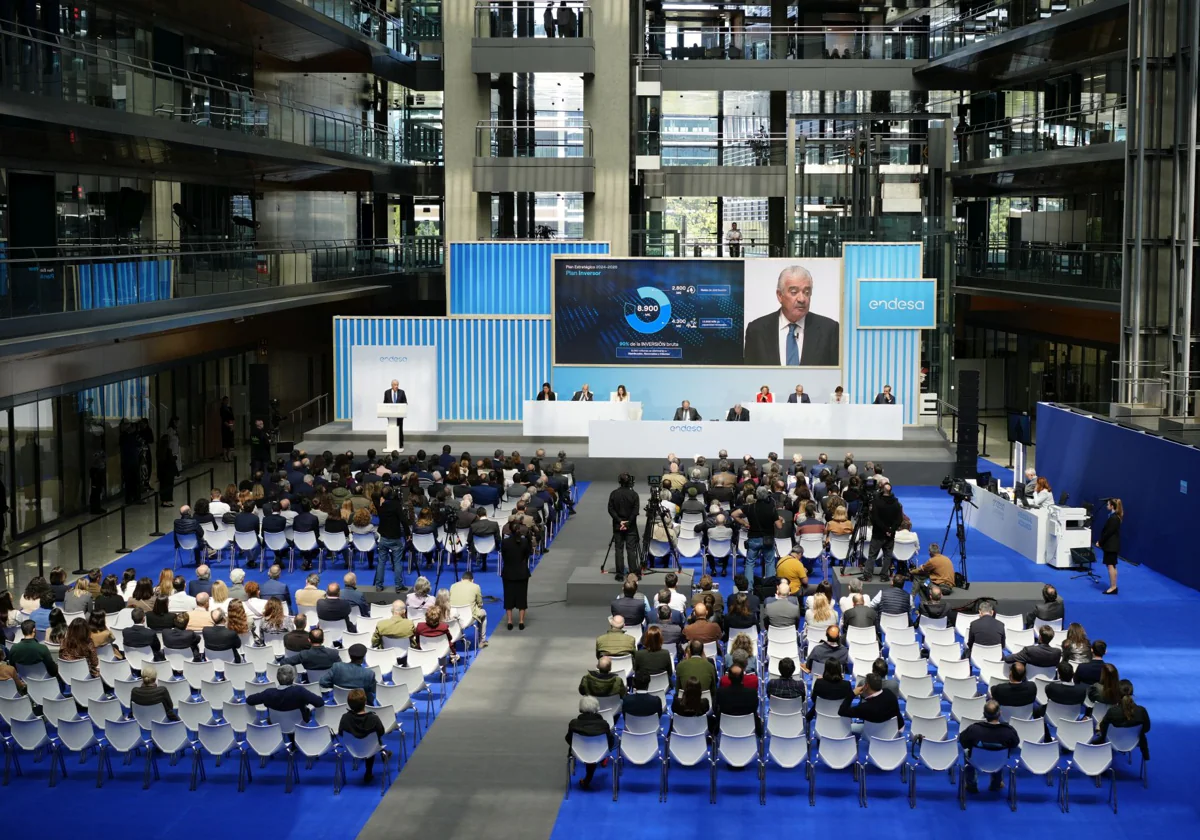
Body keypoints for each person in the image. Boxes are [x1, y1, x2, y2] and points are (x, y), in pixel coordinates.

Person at [743, 265, 839, 366]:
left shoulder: (829, 330)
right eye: (794, 292)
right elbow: (750, 376)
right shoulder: (756, 330)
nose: (802, 299)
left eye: (807, 292)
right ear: (780, 295)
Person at [959, 700, 1019, 793]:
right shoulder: (1008, 731)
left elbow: (963, 742)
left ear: (984, 714)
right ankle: (997, 783)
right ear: (1000, 713)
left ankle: (971, 785)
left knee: (967, 752)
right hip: (999, 761)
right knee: (1002, 752)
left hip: (977, 761)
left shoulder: (974, 729)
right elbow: (1015, 744)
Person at [732, 486, 782, 586]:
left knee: (750, 563)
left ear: (756, 496)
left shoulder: (750, 507)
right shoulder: (771, 508)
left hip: (753, 539)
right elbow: (779, 526)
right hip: (768, 539)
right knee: (770, 563)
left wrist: (744, 523)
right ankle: (769, 587)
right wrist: (780, 519)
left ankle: (748, 587)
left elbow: (734, 514)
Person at [338, 688, 390, 782]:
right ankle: (369, 769)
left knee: (368, 740)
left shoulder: (345, 718)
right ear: (365, 702)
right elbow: (381, 732)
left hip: (352, 749)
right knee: (372, 740)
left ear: (349, 704)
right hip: (371, 748)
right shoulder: (374, 718)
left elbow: (341, 733)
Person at [245, 664, 324, 723]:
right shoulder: (299, 691)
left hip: (275, 723)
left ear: (277, 678)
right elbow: (319, 702)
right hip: (299, 723)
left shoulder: (268, 693)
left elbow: (249, 700)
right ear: (293, 678)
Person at [565, 696, 613, 791]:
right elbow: (610, 741)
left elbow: (568, 739)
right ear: (597, 708)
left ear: (581, 708)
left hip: (579, 753)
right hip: (599, 752)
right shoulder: (604, 724)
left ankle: (587, 779)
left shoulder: (573, 724)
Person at [1095, 680, 1150, 760]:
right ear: (1132, 692)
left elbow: (1103, 727)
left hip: (1112, 741)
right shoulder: (1142, 711)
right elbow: (1146, 728)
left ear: (1117, 694)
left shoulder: (1112, 711)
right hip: (1133, 742)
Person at [862, 483, 903, 580]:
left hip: (878, 534)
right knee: (887, 556)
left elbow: (875, 519)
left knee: (872, 555)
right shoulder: (896, 503)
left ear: (882, 490)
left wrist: (885, 530)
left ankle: (867, 575)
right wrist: (890, 530)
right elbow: (899, 519)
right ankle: (884, 576)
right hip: (890, 535)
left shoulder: (877, 503)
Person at [839, 672, 903, 733]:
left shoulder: (864, 708)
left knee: (849, 727)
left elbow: (842, 711)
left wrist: (852, 694)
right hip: (894, 731)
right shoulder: (889, 693)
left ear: (866, 686)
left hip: (872, 735)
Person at [607, 473, 640, 578]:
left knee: (619, 549)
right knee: (631, 549)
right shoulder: (634, 495)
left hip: (617, 526)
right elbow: (635, 511)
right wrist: (628, 522)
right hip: (631, 526)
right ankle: (633, 573)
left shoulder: (614, 493)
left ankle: (620, 573)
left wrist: (619, 521)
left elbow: (610, 509)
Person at [715, 664, 761, 735]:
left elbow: (716, 708)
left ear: (729, 677)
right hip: (749, 728)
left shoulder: (721, 692)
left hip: (725, 727)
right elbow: (755, 708)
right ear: (743, 677)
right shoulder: (752, 693)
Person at [449, 570, 488, 643]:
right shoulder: (476, 586)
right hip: (469, 618)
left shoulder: (453, 586)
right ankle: (482, 640)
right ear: (472, 580)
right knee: (483, 613)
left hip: (453, 618)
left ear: (461, 579)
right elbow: (480, 603)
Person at [1098, 498, 1122, 595]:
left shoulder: (1113, 518)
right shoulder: (1115, 517)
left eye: (1108, 504)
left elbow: (1108, 533)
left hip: (1111, 545)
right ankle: (1114, 585)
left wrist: (1100, 542)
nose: (1107, 506)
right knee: (1112, 565)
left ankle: (1113, 587)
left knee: (1110, 566)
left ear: (1112, 506)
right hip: (1112, 545)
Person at [381, 379, 407, 452]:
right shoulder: (387, 392)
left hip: (399, 415)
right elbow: (385, 403)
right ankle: (391, 443)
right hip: (390, 415)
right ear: (392, 385)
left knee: (400, 429)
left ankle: (400, 444)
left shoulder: (401, 392)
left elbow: (405, 402)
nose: (396, 386)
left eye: (397, 385)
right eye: (395, 385)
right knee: (391, 428)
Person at [219, 396, 235, 462]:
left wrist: (232, 426)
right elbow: (223, 419)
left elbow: (232, 418)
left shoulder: (230, 408)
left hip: (230, 426)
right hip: (225, 426)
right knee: (225, 442)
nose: (227, 402)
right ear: (223, 401)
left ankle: (228, 455)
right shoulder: (222, 409)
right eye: (226, 400)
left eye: (227, 400)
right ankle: (225, 456)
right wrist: (228, 425)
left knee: (230, 442)